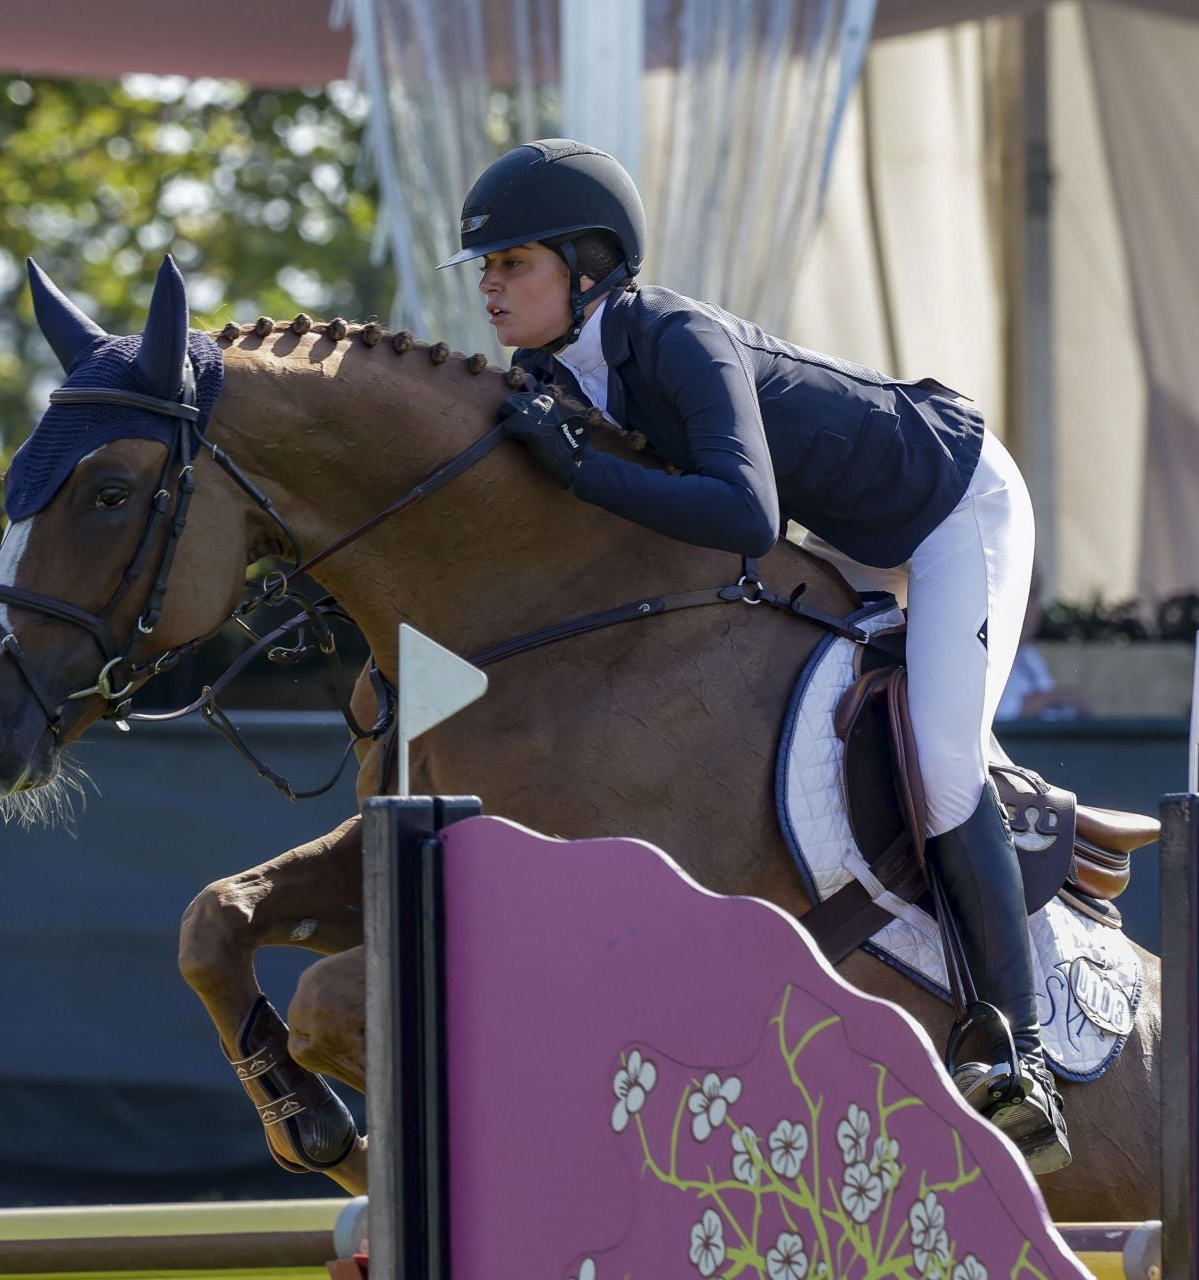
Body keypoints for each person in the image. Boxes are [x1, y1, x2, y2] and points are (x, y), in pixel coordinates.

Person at [443, 139, 1065, 1170]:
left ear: (589, 265)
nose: (492, 289)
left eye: (515, 264)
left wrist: (582, 470)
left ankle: (1020, 1052)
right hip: (849, 542)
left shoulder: (676, 336)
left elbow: (742, 510)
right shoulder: (547, 373)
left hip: (954, 506)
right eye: (488, 270)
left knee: (947, 759)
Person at [997, 566, 1094, 720]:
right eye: (1029, 596)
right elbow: (1003, 713)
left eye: (1036, 597)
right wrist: (1056, 698)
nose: (1037, 608)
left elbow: (1053, 712)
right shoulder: (989, 656)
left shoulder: (1029, 656)